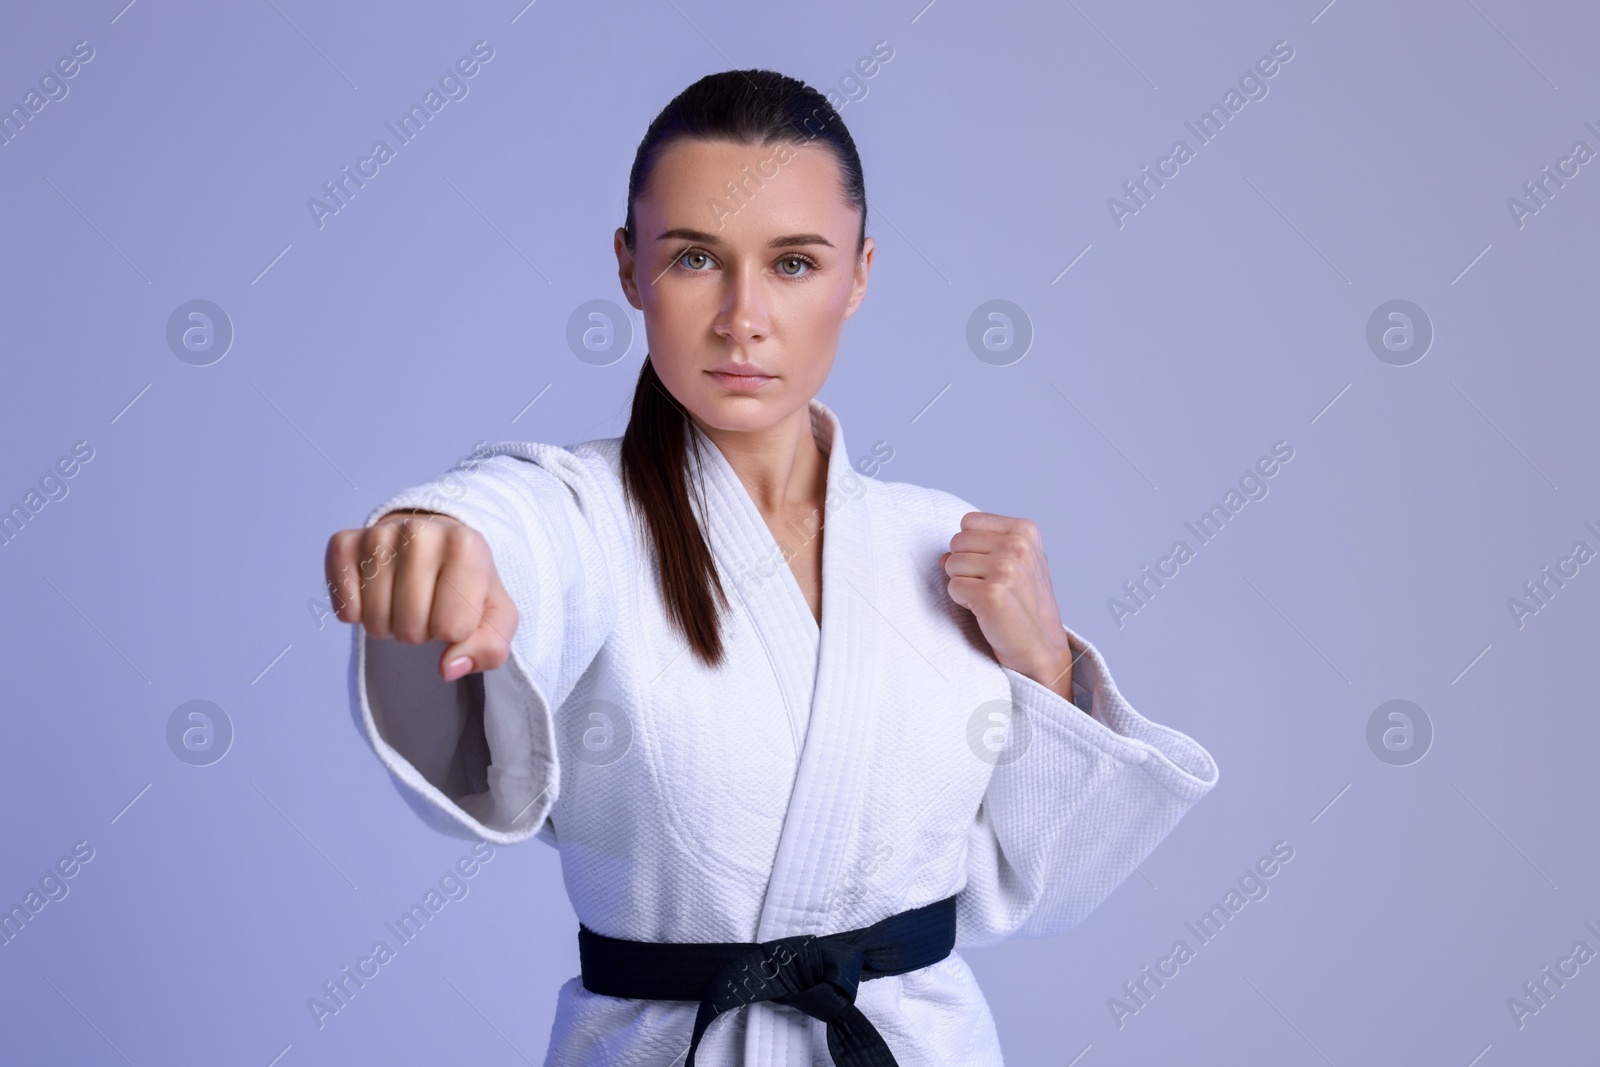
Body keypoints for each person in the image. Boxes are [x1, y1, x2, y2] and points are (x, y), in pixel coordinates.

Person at [324, 68, 1219, 1067]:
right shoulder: (583, 517)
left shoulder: (945, 543)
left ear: (859, 273)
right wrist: (444, 534)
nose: (741, 316)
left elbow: (1043, 889)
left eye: (793, 264)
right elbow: (514, 519)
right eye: (696, 258)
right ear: (629, 269)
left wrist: (1046, 666)